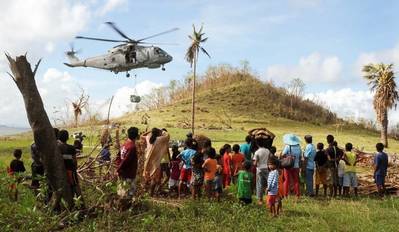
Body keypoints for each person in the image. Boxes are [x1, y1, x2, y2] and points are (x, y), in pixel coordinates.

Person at [58, 130, 85, 208]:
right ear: (67, 138)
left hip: (61, 172)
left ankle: (69, 205)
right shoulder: (71, 148)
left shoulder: (57, 148)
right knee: (75, 186)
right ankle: (82, 205)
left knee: (68, 187)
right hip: (71, 171)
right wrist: (74, 168)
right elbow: (74, 161)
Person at [142, 128, 170, 196]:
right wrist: (162, 131)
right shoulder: (159, 139)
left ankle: (144, 191)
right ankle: (151, 194)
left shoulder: (148, 138)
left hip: (147, 161)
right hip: (156, 162)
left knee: (147, 176)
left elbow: (142, 135)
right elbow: (168, 135)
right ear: (158, 133)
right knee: (154, 179)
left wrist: (150, 131)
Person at [117, 127, 139, 200]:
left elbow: (118, 157)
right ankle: (125, 208)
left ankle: (120, 207)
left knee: (121, 191)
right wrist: (118, 169)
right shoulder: (132, 147)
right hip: (128, 174)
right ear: (136, 136)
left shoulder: (124, 144)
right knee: (128, 193)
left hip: (122, 173)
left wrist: (118, 169)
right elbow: (126, 161)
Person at [253, 137, 272, 205]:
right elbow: (270, 158)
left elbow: (255, 163)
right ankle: (270, 197)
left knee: (259, 184)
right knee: (269, 183)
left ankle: (260, 200)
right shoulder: (267, 150)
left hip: (259, 169)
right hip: (266, 168)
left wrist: (253, 163)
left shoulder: (257, 152)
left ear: (257, 144)